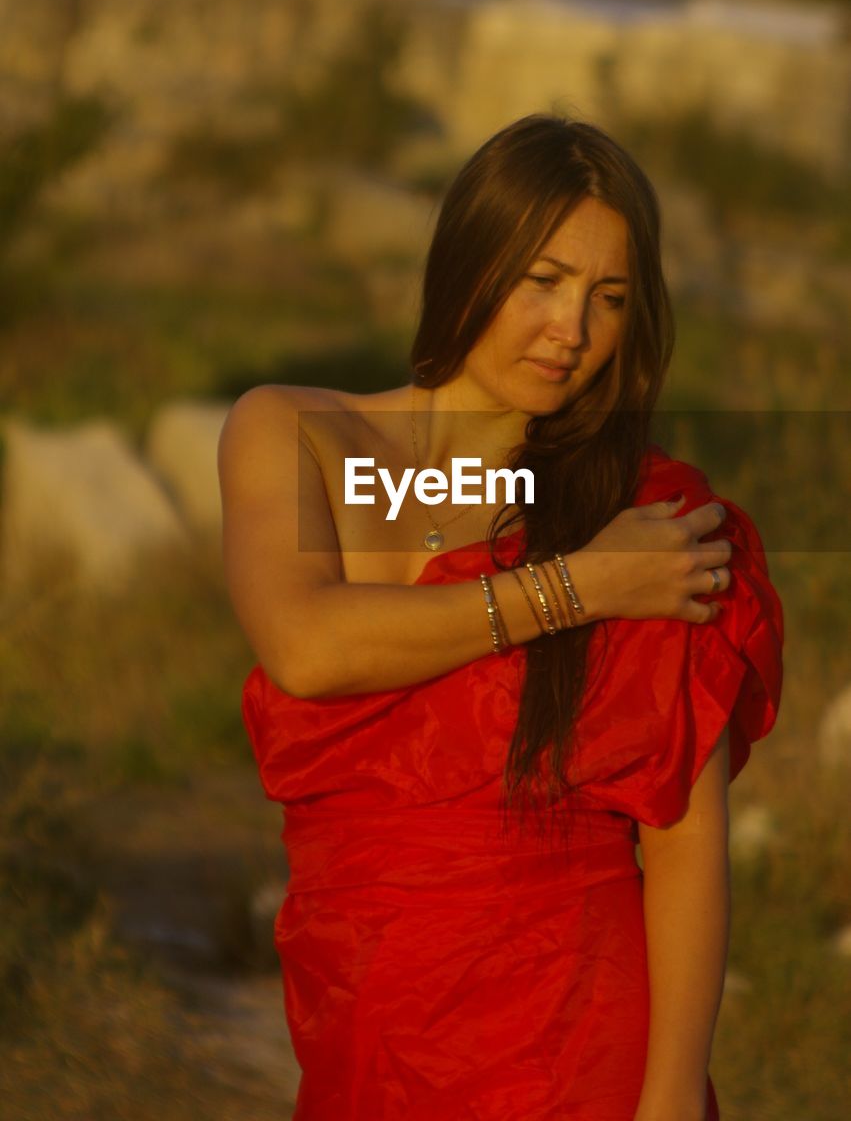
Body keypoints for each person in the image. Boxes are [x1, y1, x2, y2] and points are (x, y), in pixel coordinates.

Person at [217, 113, 784, 1121]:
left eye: (607, 298)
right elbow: (306, 647)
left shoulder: (642, 513)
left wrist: (663, 1102)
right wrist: (579, 586)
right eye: (543, 280)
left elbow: (689, 845)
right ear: (470, 257)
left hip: (573, 1035)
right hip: (362, 1021)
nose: (571, 329)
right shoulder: (298, 433)